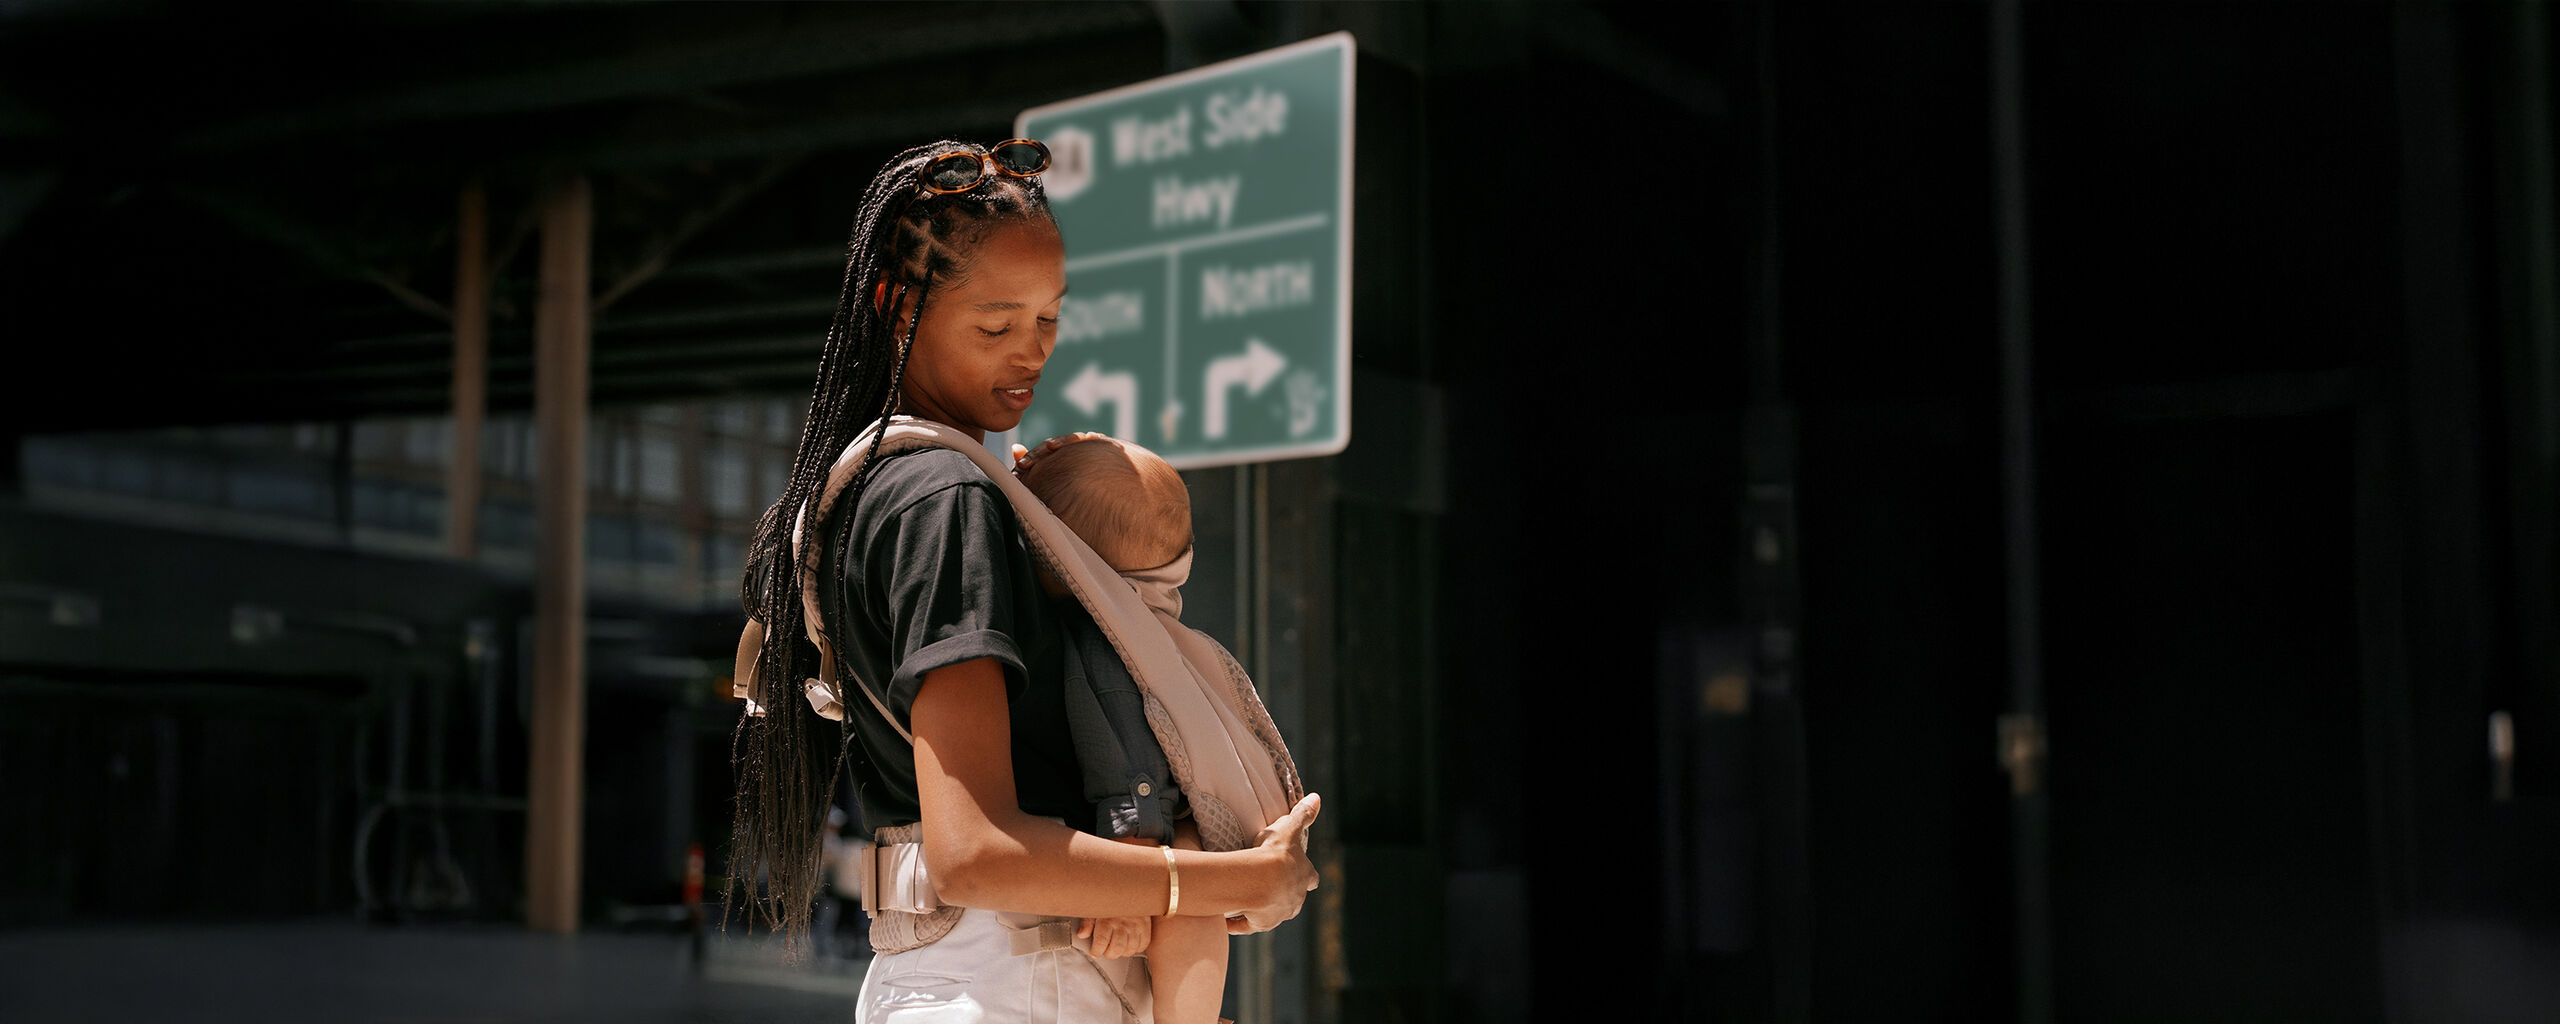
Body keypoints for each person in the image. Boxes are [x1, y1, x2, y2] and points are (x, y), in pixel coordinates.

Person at [727, 139, 1321, 1023]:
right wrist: (1237, 880)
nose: (1032, 353)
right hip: (1017, 978)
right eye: (997, 326)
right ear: (899, 307)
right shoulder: (948, 496)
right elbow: (978, 850)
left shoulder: (872, 484)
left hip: (959, 976)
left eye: (1050, 319)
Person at [1010, 431, 1245, 1024]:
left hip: (1148, 826)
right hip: (1182, 820)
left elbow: (1129, 763)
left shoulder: (1103, 641)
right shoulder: (1154, 621)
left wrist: (1129, 868)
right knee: (1197, 918)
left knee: (1187, 913)